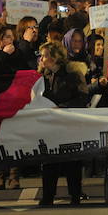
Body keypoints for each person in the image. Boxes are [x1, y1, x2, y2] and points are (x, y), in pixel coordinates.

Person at [37, 41, 89, 206]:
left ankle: (75, 196)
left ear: (55, 57)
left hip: (69, 124)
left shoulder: (72, 74)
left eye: (44, 55)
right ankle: (47, 198)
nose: (42, 59)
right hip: (50, 124)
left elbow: (83, 97)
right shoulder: (44, 76)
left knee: (72, 162)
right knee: (49, 162)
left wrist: (64, 107)